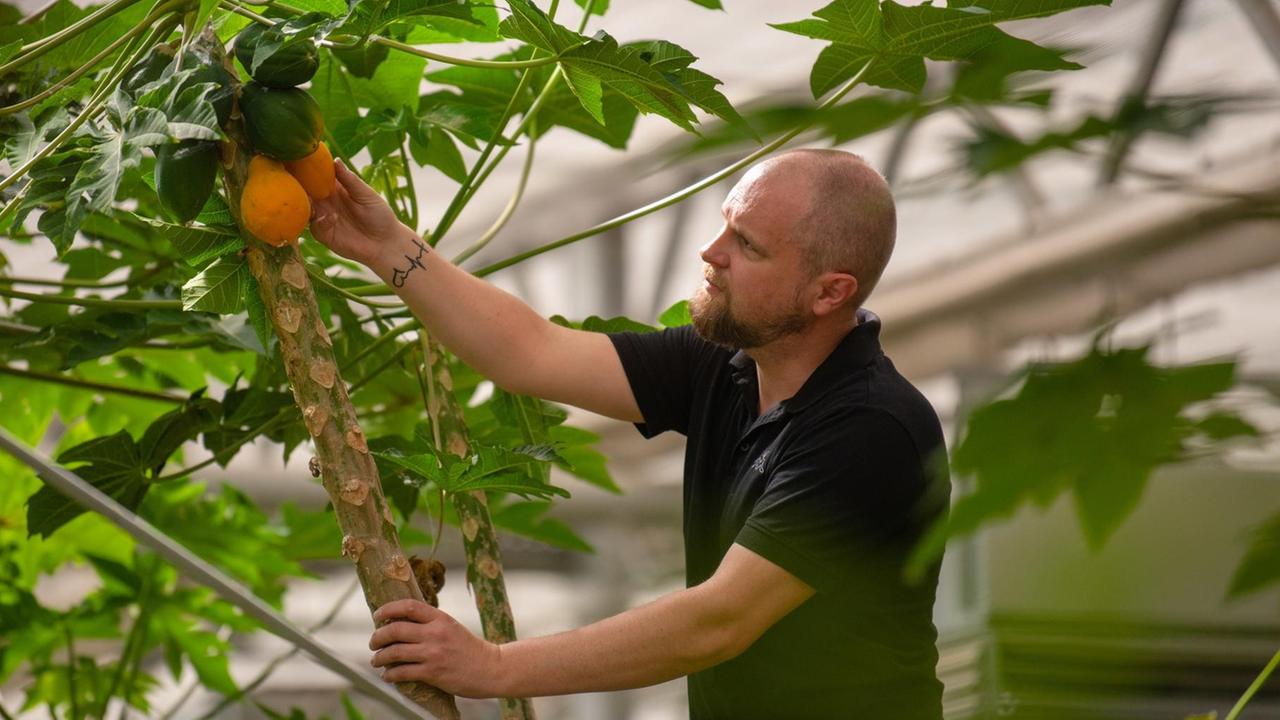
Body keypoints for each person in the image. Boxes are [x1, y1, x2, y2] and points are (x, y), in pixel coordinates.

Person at [310, 148, 951, 719]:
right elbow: (531, 353)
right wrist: (386, 244)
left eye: (749, 245)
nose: (712, 252)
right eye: (725, 222)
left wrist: (492, 667)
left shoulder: (871, 428)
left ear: (828, 292)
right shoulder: (725, 363)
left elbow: (719, 621)